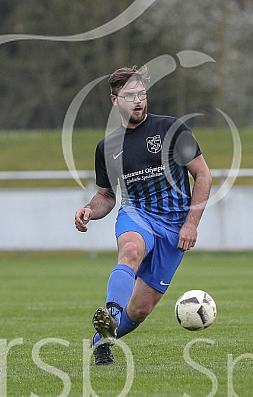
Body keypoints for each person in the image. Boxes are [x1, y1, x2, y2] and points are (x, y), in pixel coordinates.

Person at [74, 66, 212, 366]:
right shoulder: (107, 147)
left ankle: (102, 340)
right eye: (129, 96)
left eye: (141, 94)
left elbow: (203, 176)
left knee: (139, 310)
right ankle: (111, 311)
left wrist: (191, 223)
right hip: (137, 214)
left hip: (174, 227)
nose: (138, 101)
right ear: (115, 101)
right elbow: (106, 196)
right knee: (131, 249)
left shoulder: (172, 129)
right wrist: (89, 210)